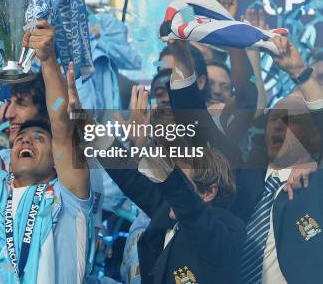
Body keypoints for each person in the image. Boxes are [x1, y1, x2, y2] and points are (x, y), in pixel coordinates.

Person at [0, 20, 93, 284]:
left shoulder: (69, 197)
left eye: (38, 138)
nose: (25, 142)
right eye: (20, 138)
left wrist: (47, 60)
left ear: (56, 160)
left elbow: (64, 132)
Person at [235, 35, 323, 284]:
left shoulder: (312, 185)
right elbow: (251, 103)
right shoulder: (242, 179)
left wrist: (300, 72)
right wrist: (250, 50)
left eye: (290, 120)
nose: (277, 127)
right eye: (274, 119)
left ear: (315, 137)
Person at [105, 141, 245, 284]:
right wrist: (89, 131)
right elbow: (129, 176)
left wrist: (152, 151)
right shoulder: (168, 215)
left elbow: (190, 209)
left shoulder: (227, 232)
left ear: (209, 192)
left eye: (181, 182)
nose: (169, 191)